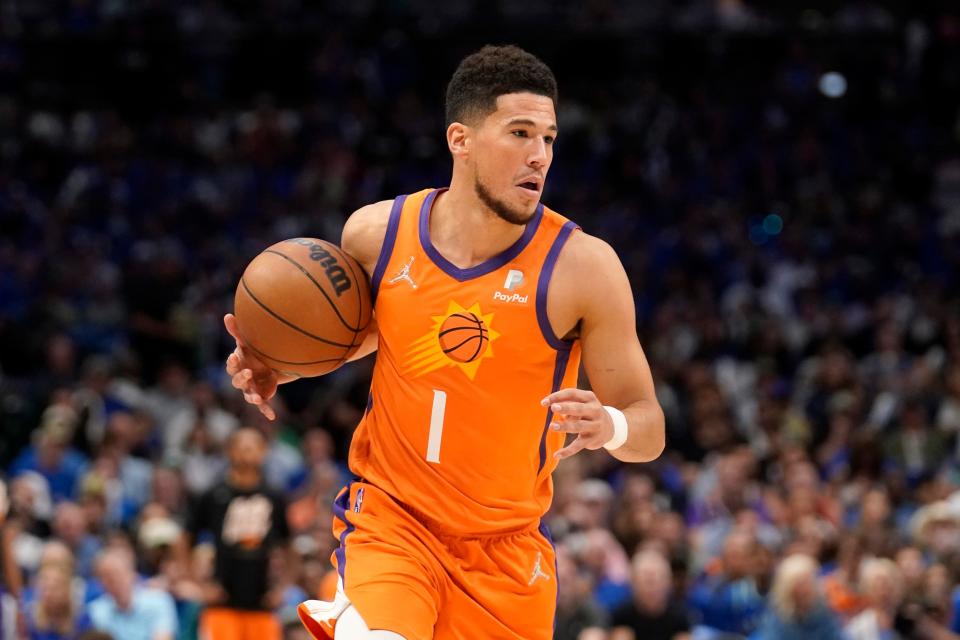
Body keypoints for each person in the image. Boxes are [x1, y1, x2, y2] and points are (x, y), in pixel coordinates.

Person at [225, 44, 665, 640]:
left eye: (549, 138)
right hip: (393, 522)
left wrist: (608, 424)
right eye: (519, 133)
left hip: (504, 553)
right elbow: (370, 335)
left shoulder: (583, 269)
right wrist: (282, 363)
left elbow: (649, 427)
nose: (539, 155)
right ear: (460, 139)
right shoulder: (376, 233)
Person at [181, 428, 290, 640]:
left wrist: (283, 586)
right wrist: (198, 584)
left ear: (263, 451)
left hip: (262, 602)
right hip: (221, 602)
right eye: (241, 447)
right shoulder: (213, 494)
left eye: (252, 447)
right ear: (229, 452)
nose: (246, 453)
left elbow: (288, 544)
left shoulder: (274, 496)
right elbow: (186, 538)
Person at [86, 548, 177, 640]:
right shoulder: (96, 611)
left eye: (118, 574)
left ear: (133, 574)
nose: (114, 581)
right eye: (106, 577)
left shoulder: (159, 601)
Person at [752, 554, 844, 640]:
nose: (805, 589)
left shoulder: (823, 613)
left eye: (809, 582)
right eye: (800, 584)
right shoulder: (777, 617)